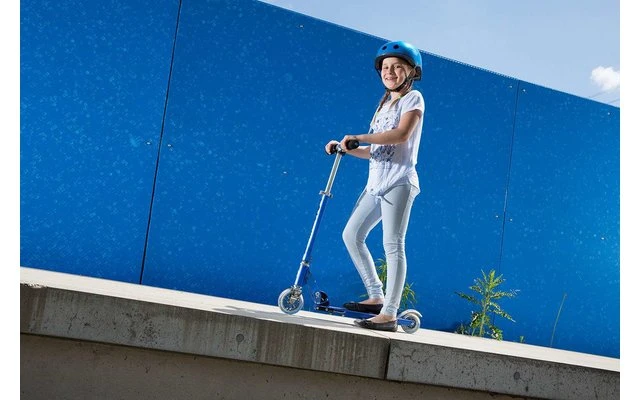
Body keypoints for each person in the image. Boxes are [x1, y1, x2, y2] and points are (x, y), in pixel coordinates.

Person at [325, 40, 425, 332]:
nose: (389, 72)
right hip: (376, 182)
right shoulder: (382, 106)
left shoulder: (413, 99)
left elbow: (401, 135)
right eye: (385, 67)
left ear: (412, 72)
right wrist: (345, 148)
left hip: (399, 182)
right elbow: (375, 151)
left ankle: (389, 314)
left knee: (393, 244)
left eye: (397, 67)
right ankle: (376, 296)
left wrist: (359, 137)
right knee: (351, 234)